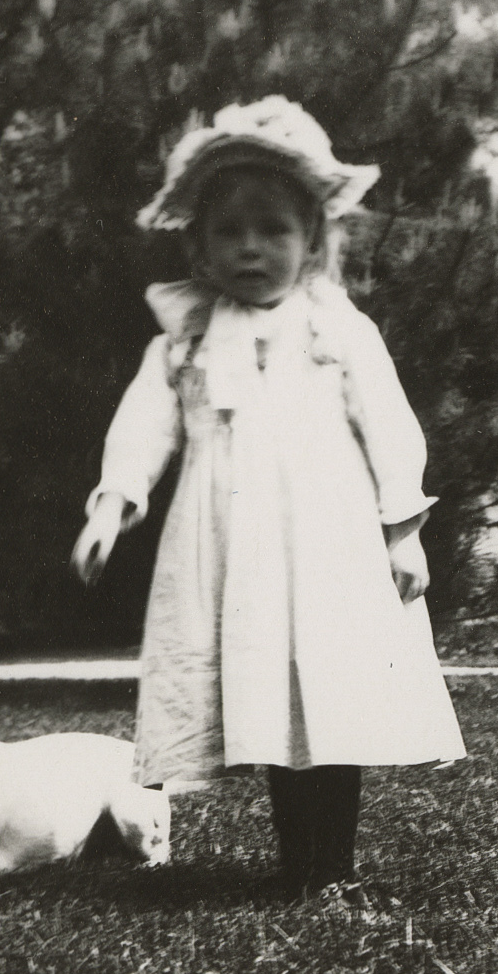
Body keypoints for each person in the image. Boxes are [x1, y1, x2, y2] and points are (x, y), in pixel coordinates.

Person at [72, 96, 466, 898]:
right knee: (277, 707)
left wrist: (402, 530)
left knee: (327, 694)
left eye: (273, 229)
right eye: (229, 231)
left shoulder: (337, 329)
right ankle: (298, 864)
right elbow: (144, 426)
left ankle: (332, 865)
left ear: (312, 240)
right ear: (198, 244)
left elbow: (388, 426)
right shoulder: (182, 339)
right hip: (230, 546)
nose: (250, 247)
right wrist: (113, 502)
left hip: (326, 543)